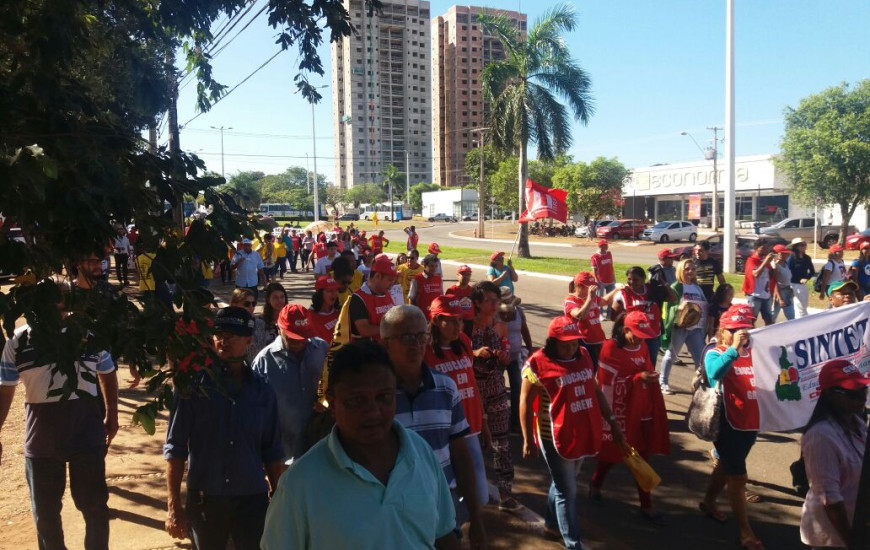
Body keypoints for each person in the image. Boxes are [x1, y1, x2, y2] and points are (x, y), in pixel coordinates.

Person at [261, 341, 459, 549]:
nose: (373, 411)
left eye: (384, 397)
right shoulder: (299, 485)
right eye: (356, 400)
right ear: (332, 404)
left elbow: (443, 534)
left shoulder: (421, 453)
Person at [0, 262, 119, 550]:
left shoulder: (88, 335)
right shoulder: (19, 341)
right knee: (45, 514)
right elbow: (5, 388)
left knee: (94, 507)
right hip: (42, 443)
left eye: (61, 303)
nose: (57, 311)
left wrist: (112, 416)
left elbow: (108, 372)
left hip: (86, 435)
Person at [163, 307, 283, 550]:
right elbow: (175, 448)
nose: (224, 341)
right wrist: (173, 505)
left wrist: (279, 497)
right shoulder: (192, 388)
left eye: (233, 336)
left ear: (249, 341)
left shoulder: (262, 391)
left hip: (252, 498)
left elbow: (272, 450)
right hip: (206, 498)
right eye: (220, 334)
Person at [382, 305, 487, 548]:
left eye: (421, 336)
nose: (416, 344)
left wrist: (477, 520)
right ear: (386, 343)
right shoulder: (376, 395)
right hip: (394, 507)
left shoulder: (446, 387)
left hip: (443, 503)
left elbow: (460, 454)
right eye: (406, 337)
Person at [520, 315, 626, 550]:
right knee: (568, 492)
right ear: (552, 342)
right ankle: (573, 543)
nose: (570, 349)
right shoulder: (537, 363)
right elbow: (525, 400)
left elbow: (595, 390)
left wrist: (612, 421)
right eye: (564, 344)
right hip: (554, 437)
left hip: (582, 429)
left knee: (563, 484)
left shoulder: (585, 355)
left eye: (574, 343)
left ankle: (551, 524)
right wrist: (528, 438)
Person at [592, 311, 670, 525]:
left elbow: (645, 369)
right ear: (625, 330)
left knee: (642, 457)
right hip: (619, 411)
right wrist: (637, 378)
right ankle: (596, 483)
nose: (640, 338)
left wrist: (647, 376)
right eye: (636, 334)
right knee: (613, 454)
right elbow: (606, 384)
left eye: (644, 335)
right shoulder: (610, 348)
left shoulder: (643, 346)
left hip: (641, 408)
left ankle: (646, 505)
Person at [699, 305, 764, 550]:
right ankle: (746, 532)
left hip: (750, 422)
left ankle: (708, 501)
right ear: (723, 331)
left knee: (727, 466)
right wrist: (734, 349)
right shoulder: (715, 352)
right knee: (738, 477)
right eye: (736, 330)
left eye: (747, 329)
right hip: (727, 424)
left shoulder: (756, 352)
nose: (743, 334)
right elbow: (715, 372)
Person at [425, 296, 490, 507]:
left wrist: (484, 421)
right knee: (445, 493)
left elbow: (472, 382)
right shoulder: (423, 352)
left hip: (470, 426)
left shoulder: (463, 341)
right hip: (441, 433)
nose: (458, 326)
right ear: (435, 320)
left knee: (480, 495)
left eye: (460, 320)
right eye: (451, 321)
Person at [799, 358, 869, 550]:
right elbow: (829, 498)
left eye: (863, 390)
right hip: (836, 537)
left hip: (858, 523)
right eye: (853, 393)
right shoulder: (821, 436)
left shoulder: (857, 422)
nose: (862, 398)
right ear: (831, 395)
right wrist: (854, 543)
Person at [251, 303, 328, 463]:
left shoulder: (322, 350)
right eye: (292, 336)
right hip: (284, 456)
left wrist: (328, 401)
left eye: (303, 336)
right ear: (279, 328)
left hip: (321, 449)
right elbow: (255, 409)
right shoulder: (264, 361)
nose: (299, 341)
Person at [468, 280, 516, 509]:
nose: (495, 304)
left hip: (496, 388)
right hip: (471, 390)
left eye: (497, 300)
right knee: (472, 442)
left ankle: (505, 492)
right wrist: (475, 352)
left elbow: (505, 353)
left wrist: (504, 357)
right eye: (490, 300)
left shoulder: (500, 327)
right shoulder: (466, 327)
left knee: (502, 442)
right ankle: (473, 490)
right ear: (477, 303)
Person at [608, 266, 676, 368]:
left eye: (636, 279)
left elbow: (673, 298)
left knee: (650, 363)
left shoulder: (653, 290)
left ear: (644, 279)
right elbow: (613, 315)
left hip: (652, 334)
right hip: (633, 336)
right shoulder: (624, 292)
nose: (632, 282)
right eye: (629, 279)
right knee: (632, 363)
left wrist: (662, 281)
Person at [659, 259, 708, 395]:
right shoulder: (676, 287)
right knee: (671, 356)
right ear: (681, 270)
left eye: (693, 269)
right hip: (679, 328)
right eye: (687, 269)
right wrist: (679, 309)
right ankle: (663, 382)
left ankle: (700, 384)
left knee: (700, 358)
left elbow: (704, 305)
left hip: (695, 328)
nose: (690, 271)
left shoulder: (697, 287)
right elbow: (668, 308)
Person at [498, 286, 532, 431]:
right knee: (497, 391)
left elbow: (524, 330)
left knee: (518, 388)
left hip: (516, 356)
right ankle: (497, 420)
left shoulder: (519, 312)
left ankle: (516, 422)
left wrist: (530, 349)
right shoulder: (494, 315)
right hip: (498, 357)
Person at [348, 254, 398, 342]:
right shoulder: (358, 298)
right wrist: (393, 328)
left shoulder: (386, 293)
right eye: (390, 280)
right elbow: (364, 330)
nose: (392, 284)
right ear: (377, 276)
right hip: (369, 352)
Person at [564, 271, 605, 371]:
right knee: (586, 368)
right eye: (589, 286)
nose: (592, 289)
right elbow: (580, 315)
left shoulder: (590, 297)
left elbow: (605, 301)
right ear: (579, 286)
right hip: (583, 341)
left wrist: (616, 290)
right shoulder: (570, 300)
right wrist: (590, 299)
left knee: (596, 368)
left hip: (597, 338)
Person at [742, 241, 775, 326]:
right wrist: (765, 261)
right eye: (763, 248)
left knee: (769, 320)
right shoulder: (751, 260)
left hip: (766, 295)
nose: (765, 250)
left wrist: (774, 264)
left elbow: (773, 276)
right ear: (756, 248)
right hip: (755, 295)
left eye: (766, 248)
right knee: (752, 320)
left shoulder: (765, 261)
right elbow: (756, 274)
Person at [786, 237, 815, 318]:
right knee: (799, 306)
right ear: (796, 247)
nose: (804, 246)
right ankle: (802, 322)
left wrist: (807, 278)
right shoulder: (791, 258)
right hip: (792, 284)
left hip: (802, 285)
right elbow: (787, 271)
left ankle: (802, 320)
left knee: (803, 305)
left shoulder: (807, 258)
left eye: (805, 244)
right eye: (802, 245)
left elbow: (812, 271)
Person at [409, 253, 443, 318]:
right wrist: (412, 316)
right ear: (425, 266)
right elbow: (411, 299)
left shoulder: (439, 279)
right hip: (421, 317)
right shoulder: (416, 279)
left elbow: (441, 296)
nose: (434, 268)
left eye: (436, 266)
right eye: (431, 266)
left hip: (435, 316)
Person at [231, 238, 265, 302]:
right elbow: (232, 267)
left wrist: (264, 281)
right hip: (241, 283)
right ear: (243, 245)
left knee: (253, 301)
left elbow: (260, 268)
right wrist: (238, 262)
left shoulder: (256, 254)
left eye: (248, 245)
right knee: (239, 301)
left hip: (252, 283)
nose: (246, 247)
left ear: (251, 245)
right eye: (245, 245)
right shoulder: (238, 254)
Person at [310, 276, 341, 344]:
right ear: (320, 294)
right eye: (330, 291)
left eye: (336, 290)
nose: (335, 294)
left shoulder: (341, 311)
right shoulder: (309, 316)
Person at [590, 240, 616, 319]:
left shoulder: (609, 254)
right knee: (600, 298)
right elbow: (594, 270)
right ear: (600, 246)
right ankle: (600, 314)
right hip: (601, 280)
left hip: (610, 279)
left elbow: (611, 266)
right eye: (605, 245)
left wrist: (614, 277)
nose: (607, 246)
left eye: (607, 245)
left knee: (611, 297)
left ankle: (609, 314)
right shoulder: (595, 256)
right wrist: (597, 280)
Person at [770, 244, 795, 321]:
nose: (786, 255)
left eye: (786, 253)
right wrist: (780, 298)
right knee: (773, 316)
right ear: (778, 254)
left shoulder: (786, 264)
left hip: (787, 291)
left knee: (791, 317)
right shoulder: (775, 266)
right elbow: (775, 282)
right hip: (779, 292)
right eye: (783, 253)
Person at [259, 282, 288, 346]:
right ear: (268, 300)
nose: (279, 300)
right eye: (275, 297)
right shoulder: (261, 322)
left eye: (282, 297)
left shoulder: (292, 318)